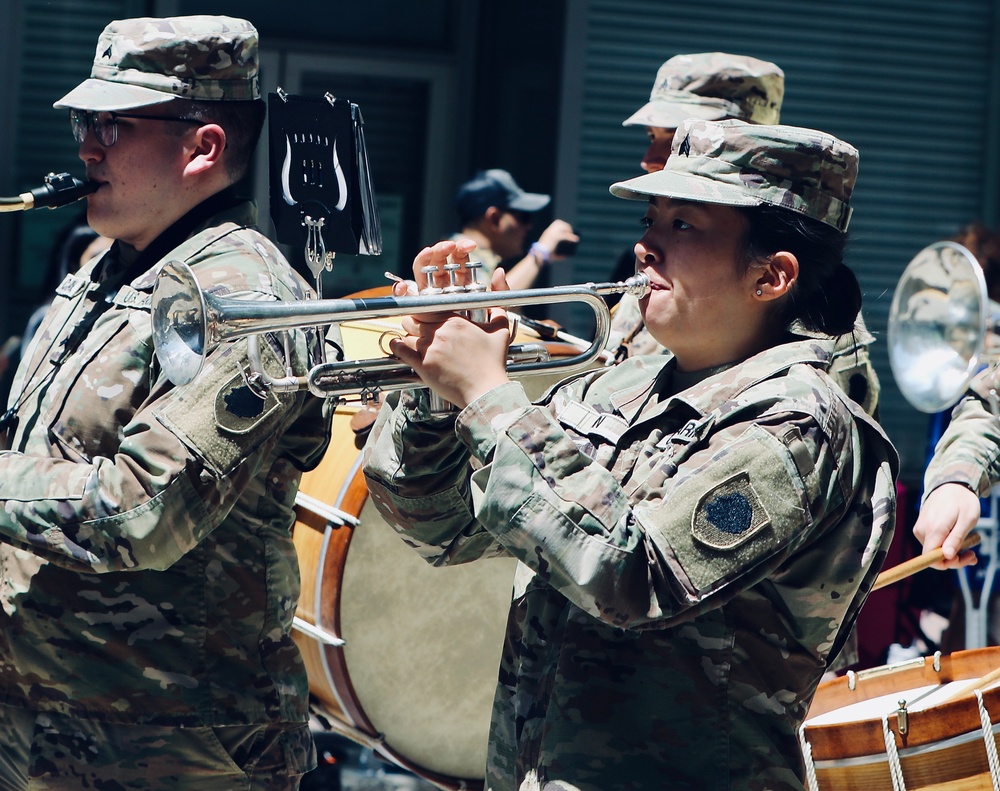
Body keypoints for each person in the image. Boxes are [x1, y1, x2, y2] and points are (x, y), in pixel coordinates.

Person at [363, 119, 898, 790]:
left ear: (772, 275)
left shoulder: (800, 422)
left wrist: (490, 394)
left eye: (684, 226)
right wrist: (437, 396)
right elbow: (441, 527)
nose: (645, 246)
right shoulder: (614, 387)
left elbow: (632, 579)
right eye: (652, 219)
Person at [0, 15, 331, 790]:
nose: (87, 145)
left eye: (112, 124)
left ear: (204, 145)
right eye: (87, 121)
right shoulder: (107, 263)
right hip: (46, 726)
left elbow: (138, 512)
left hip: (171, 747)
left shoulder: (246, 300)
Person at [605, 54, 879, 422]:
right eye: (655, 137)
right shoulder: (657, 264)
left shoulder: (802, 312)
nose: (654, 155)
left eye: (676, 137)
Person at [453, 168, 579, 290]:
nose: (529, 226)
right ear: (494, 219)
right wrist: (540, 252)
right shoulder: (457, 260)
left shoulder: (480, 258)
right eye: (524, 217)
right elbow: (487, 307)